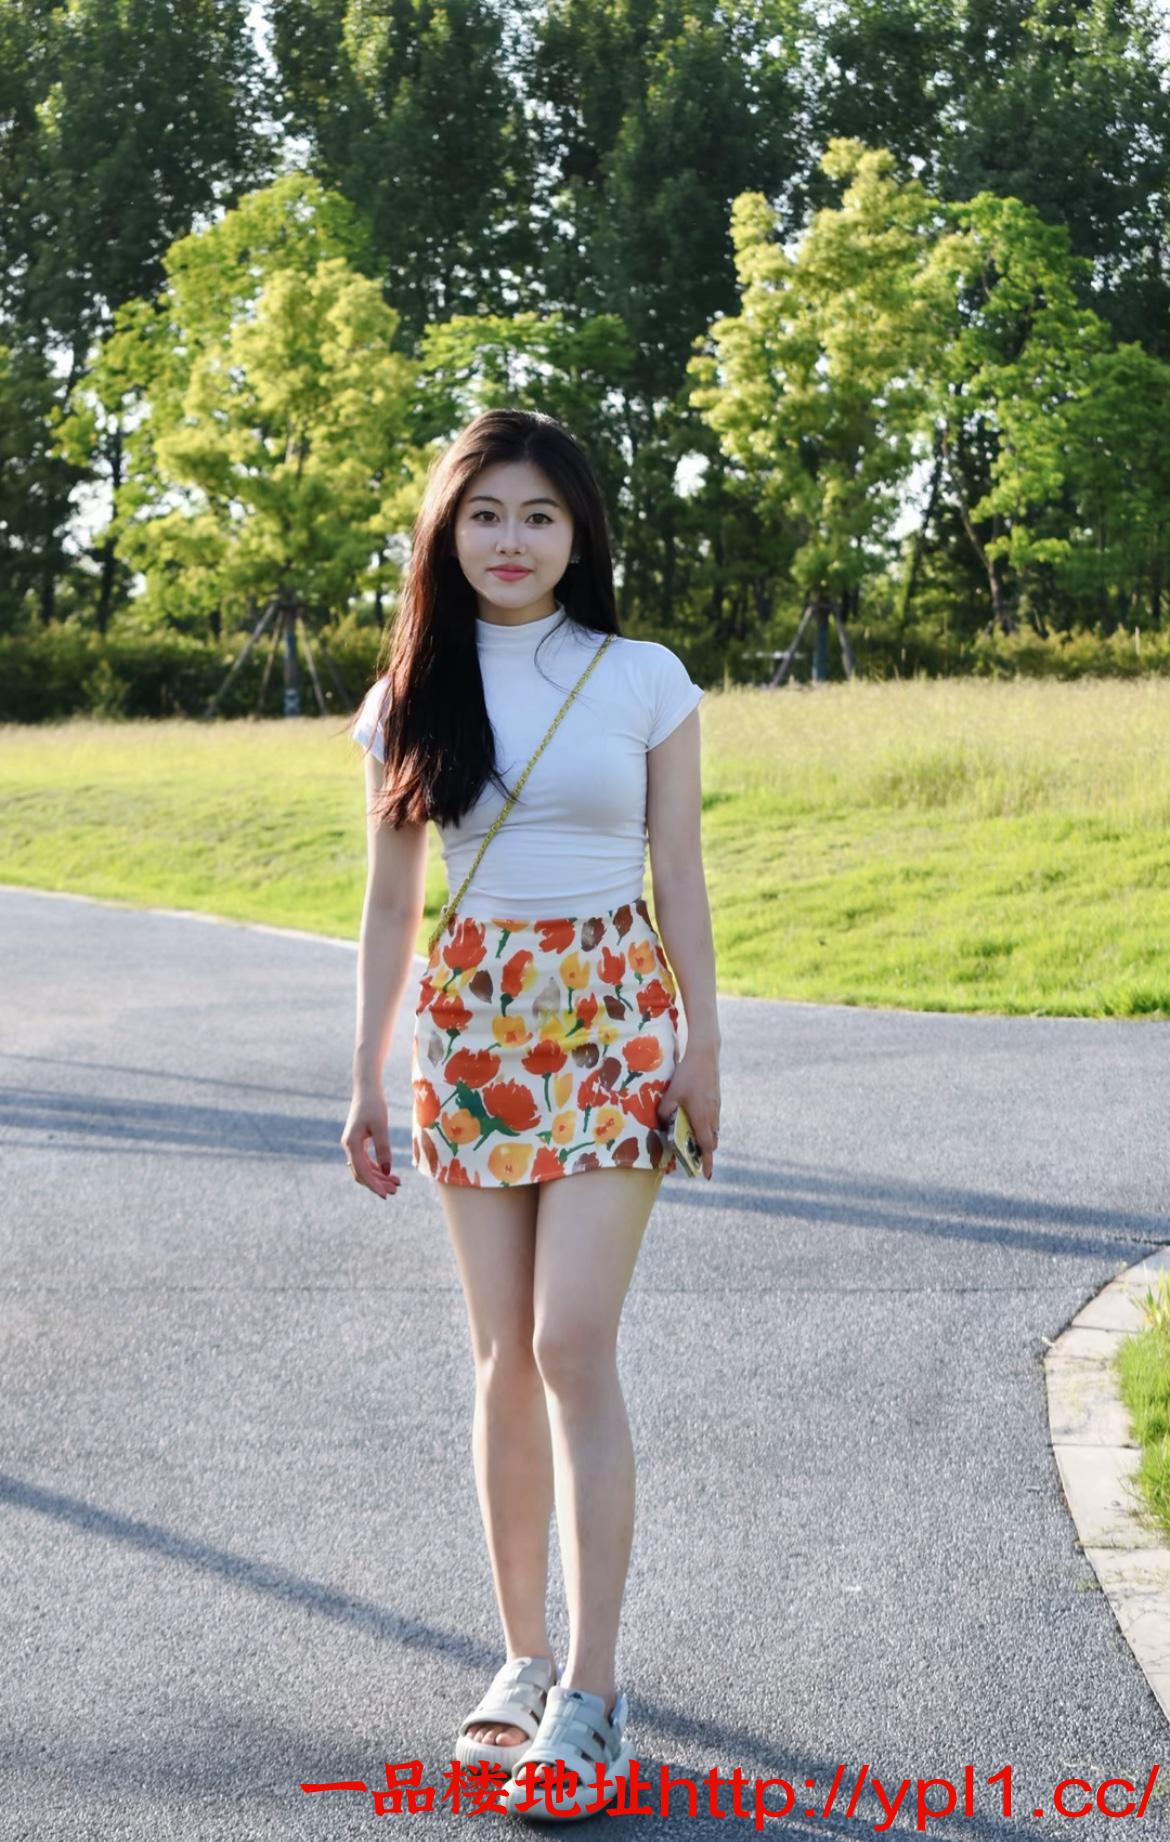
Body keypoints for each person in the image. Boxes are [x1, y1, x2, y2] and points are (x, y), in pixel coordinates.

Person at [342, 407, 721, 1820]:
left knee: (569, 1340)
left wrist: (702, 1047)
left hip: (615, 1014)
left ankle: (594, 1693)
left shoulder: (643, 677)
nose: (511, 539)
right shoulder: (407, 695)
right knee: (501, 1351)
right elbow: (392, 901)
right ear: (447, 531)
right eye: (486, 513)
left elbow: (679, 871)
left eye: (539, 515)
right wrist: (365, 1074)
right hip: (472, 1024)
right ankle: (519, 1659)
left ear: (580, 535)